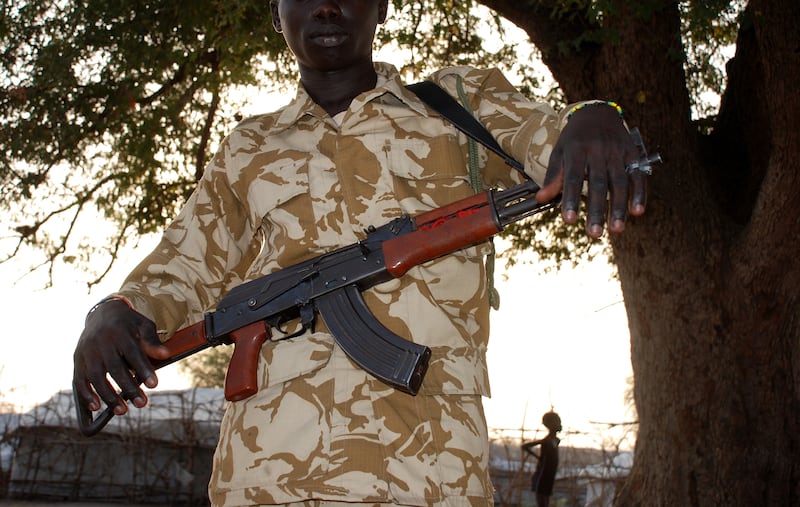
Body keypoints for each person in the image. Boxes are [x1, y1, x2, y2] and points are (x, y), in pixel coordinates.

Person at [72, 0, 649, 505]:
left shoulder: (458, 105)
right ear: (277, 12)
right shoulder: (247, 147)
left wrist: (596, 116)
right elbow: (182, 266)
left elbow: (558, 137)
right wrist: (112, 311)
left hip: (427, 476)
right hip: (268, 477)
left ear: (384, 6)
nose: (326, 6)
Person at [522, 411, 563, 507]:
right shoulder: (546, 441)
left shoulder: (556, 441)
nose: (560, 425)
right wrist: (539, 458)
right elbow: (525, 446)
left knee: (546, 501)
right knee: (542, 502)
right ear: (550, 425)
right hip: (542, 476)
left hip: (550, 476)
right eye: (557, 422)